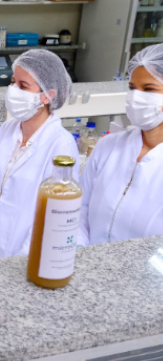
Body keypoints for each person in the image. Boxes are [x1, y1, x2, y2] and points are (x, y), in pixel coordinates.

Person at [0, 49, 79, 259]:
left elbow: (52, 217)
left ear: (48, 95)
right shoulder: (8, 129)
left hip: (24, 257)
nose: (14, 90)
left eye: (23, 86)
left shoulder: (61, 145)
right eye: (13, 82)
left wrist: (21, 261)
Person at [78, 44, 163, 246]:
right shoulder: (109, 146)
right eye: (132, 88)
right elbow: (81, 206)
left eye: (149, 89)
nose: (136, 97)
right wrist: (79, 249)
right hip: (88, 264)